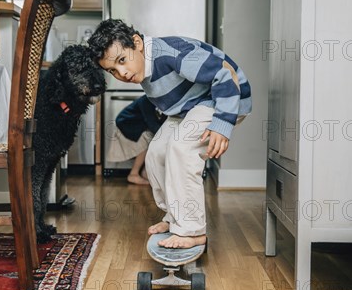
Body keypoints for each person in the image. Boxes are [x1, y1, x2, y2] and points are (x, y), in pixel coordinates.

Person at [89, 19, 251, 249]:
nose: (122, 73)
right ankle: (174, 217)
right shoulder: (142, 69)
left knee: (181, 148)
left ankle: (192, 230)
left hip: (222, 98)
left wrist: (223, 122)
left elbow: (224, 75)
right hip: (189, 107)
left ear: (137, 43)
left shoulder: (170, 53)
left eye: (122, 60)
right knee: (155, 154)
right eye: (112, 70)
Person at [106, 95, 166, 185]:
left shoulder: (161, 102)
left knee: (153, 139)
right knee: (147, 141)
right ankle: (133, 174)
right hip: (127, 124)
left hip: (139, 125)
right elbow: (152, 123)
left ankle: (145, 172)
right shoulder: (147, 101)